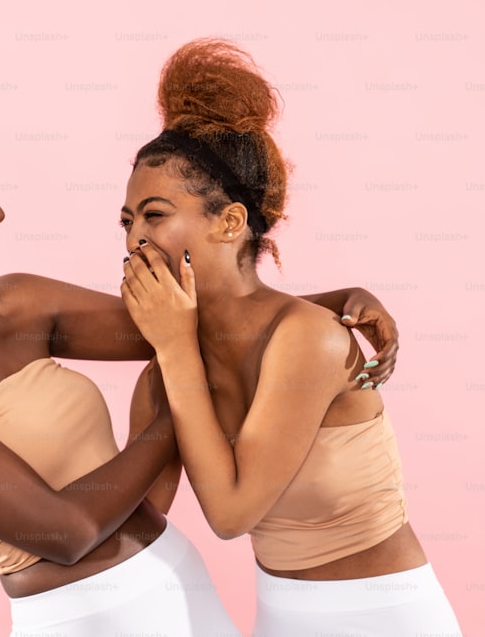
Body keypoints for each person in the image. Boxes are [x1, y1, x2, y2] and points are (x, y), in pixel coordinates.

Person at [0, 24, 401, 636]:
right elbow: (64, 530)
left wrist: (327, 305)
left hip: (182, 586)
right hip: (89, 621)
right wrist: (175, 414)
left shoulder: (19, 304)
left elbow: (188, 325)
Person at [120, 39, 462, 635]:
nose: (133, 242)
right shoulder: (166, 373)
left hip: (386, 614)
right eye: (126, 222)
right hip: (279, 615)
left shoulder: (311, 339)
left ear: (230, 222)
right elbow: (137, 524)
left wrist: (174, 350)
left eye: (153, 216)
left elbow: (230, 514)